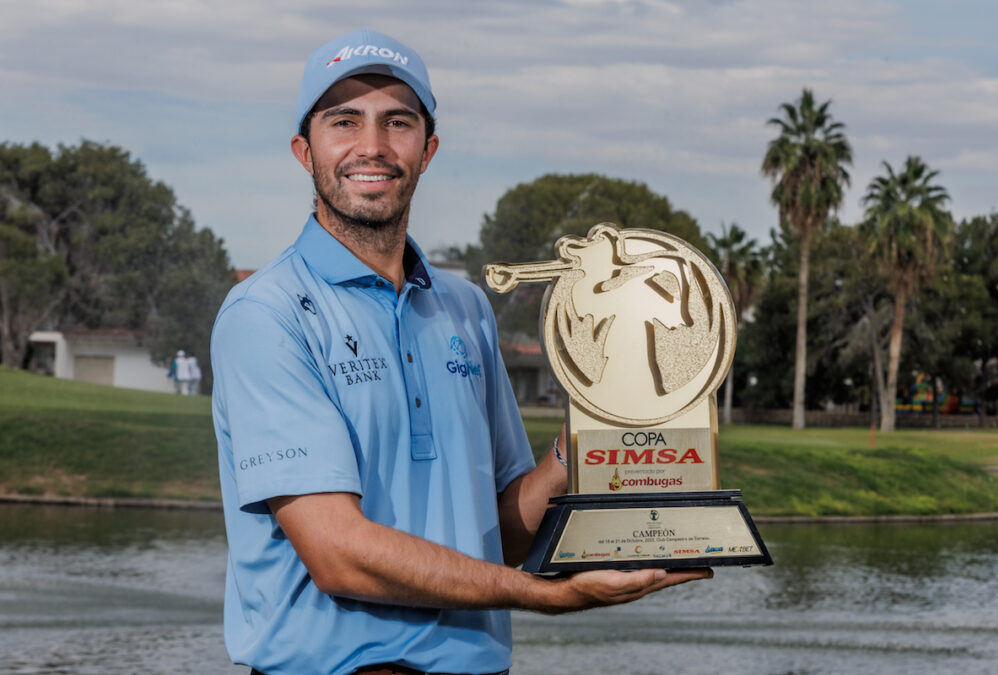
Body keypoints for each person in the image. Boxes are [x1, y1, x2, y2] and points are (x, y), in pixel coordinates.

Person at [210, 28, 711, 675]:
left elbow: (495, 536)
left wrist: (579, 444)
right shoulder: (267, 312)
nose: (372, 146)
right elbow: (339, 554)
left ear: (428, 148)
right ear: (304, 150)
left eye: (398, 121)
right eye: (344, 121)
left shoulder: (465, 307)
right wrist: (546, 595)